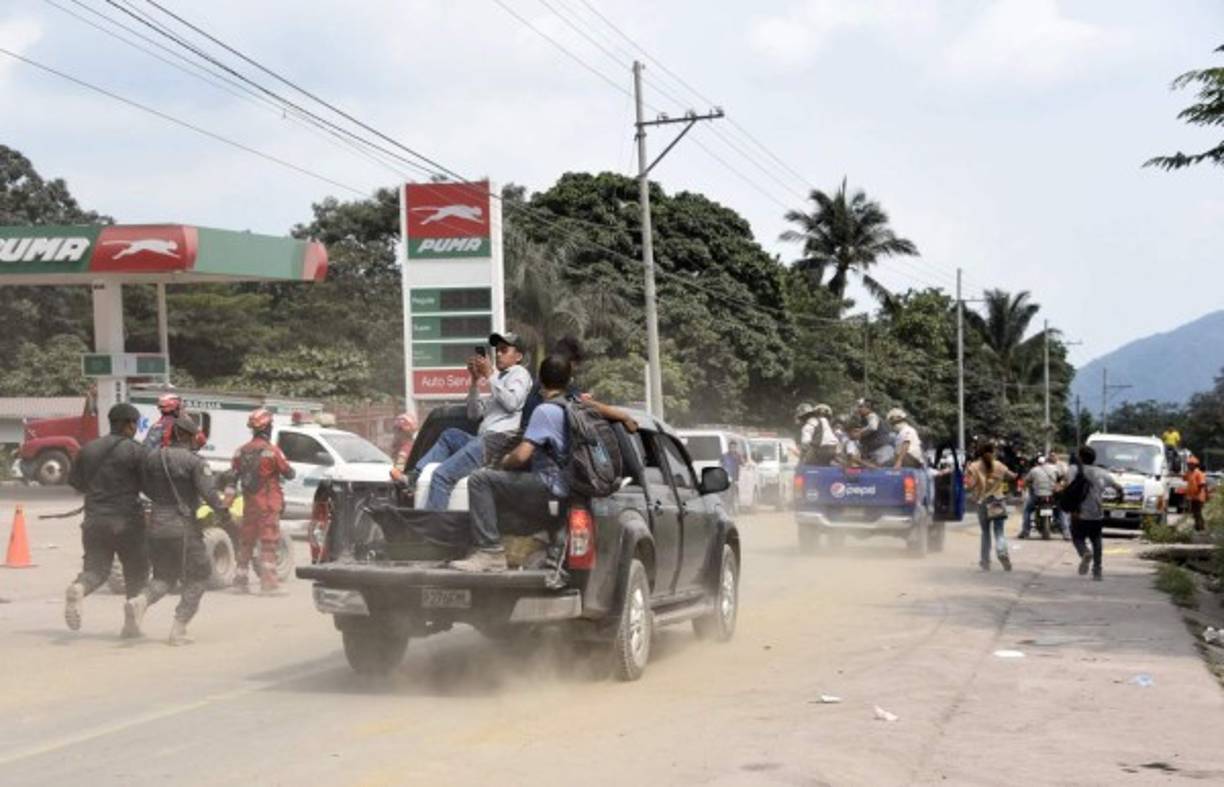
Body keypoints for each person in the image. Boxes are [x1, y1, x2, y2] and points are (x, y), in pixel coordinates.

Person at [450, 355, 574, 573]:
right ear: (569, 380)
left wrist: (505, 461)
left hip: (547, 484)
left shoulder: (545, 411)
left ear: (540, 380)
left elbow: (522, 455)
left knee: (480, 480)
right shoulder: (573, 406)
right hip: (564, 486)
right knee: (499, 491)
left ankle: (489, 552)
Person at [127, 415, 229, 644]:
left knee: (164, 576)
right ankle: (178, 629)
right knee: (199, 575)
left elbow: (143, 486)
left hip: (156, 525)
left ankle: (141, 600)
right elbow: (209, 493)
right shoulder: (194, 462)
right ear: (189, 436)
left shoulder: (152, 457)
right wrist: (223, 511)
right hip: (183, 528)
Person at [407, 332, 532, 510]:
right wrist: (474, 381)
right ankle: (414, 476)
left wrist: (489, 374)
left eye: (504, 350)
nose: (498, 354)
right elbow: (474, 414)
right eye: (497, 350)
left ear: (518, 356)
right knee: (450, 436)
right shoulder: (499, 379)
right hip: (484, 439)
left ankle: (435, 524)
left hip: (496, 441)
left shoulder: (519, 373)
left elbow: (512, 403)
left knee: (441, 476)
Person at [63, 403, 150, 636]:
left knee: (96, 570)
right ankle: (131, 624)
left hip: (94, 519)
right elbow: (148, 486)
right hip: (128, 521)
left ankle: (79, 588)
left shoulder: (88, 449)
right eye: (136, 424)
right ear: (129, 424)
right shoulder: (136, 450)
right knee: (136, 572)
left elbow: (76, 482)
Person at [225, 408, 295, 593]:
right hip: (268, 505)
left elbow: (232, 479)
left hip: (249, 506)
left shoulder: (240, 452)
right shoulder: (272, 451)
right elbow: (289, 473)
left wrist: (226, 504)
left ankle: (240, 582)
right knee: (268, 543)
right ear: (267, 428)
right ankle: (269, 585)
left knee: (246, 542)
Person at [1066, 445, 1124, 580]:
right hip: (1097, 514)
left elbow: (1069, 488)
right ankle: (1097, 571)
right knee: (1096, 541)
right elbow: (1118, 487)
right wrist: (1119, 498)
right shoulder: (1102, 473)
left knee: (1078, 538)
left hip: (1079, 512)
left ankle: (1085, 553)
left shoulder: (1074, 470)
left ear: (1080, 458)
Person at [965, 441, 1017, 571]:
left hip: (983, 501)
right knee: (999, 532)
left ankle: (985, 562)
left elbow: (969, 485)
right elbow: (1012, 476)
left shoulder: (974, 466)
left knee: (985, 533)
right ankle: (1002, 553)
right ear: (993, 452)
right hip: (997, 501)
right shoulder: (999, 465)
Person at [1020, 456, 1057, 539]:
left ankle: (1025, 531)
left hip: (1038, 496)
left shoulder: (1034, 470)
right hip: (1051, 496)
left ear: (1037, 463)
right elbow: (1059, 478)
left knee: (1027, 510)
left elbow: (1026, 481)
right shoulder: (1053, 469)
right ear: (1046, 462)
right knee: (1059, 510)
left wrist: (1024, 485)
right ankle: (1065, 531)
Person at [850, 399, 894, 466]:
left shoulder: (872, 416)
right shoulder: (864, 419)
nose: (859, 409)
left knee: (880, 470)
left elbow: (873, 427)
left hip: (882, 450)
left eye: (861, 407)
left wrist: (859, 433)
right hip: (874, 451)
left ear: (868, 408)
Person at [387, 413, 417, 480]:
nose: (396, 434)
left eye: (399, 430)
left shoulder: (405, 449)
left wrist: (396, 472)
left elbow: (398, 470)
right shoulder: (399, 447)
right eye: (395, 430)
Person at [1184, 455, 1208, 532]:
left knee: (1198, 512)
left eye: (1190, 464)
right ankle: (1198, 526)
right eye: (1188, 464)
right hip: (1193, 497)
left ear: (1194, 465)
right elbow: (1184, 478)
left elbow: (1202, 484)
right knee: (1194, 512)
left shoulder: (1198, 473)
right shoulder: (1189, 473)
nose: (1188, 466)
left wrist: (1197, 493)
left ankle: (1200, 527)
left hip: (1199, 496)